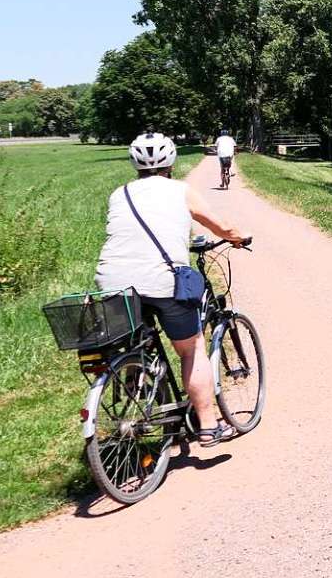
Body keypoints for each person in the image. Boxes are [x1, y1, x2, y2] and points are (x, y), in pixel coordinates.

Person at [95, 132, 249, 447]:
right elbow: (218, 226)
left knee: (134, 342)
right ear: (171, 161)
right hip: (163, 280)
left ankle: (138, 392)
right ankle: (208, 425)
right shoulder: (181, 191)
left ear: (134, 164)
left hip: (112, 282)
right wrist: (238, 237)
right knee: (191, 349)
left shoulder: (118, 194)